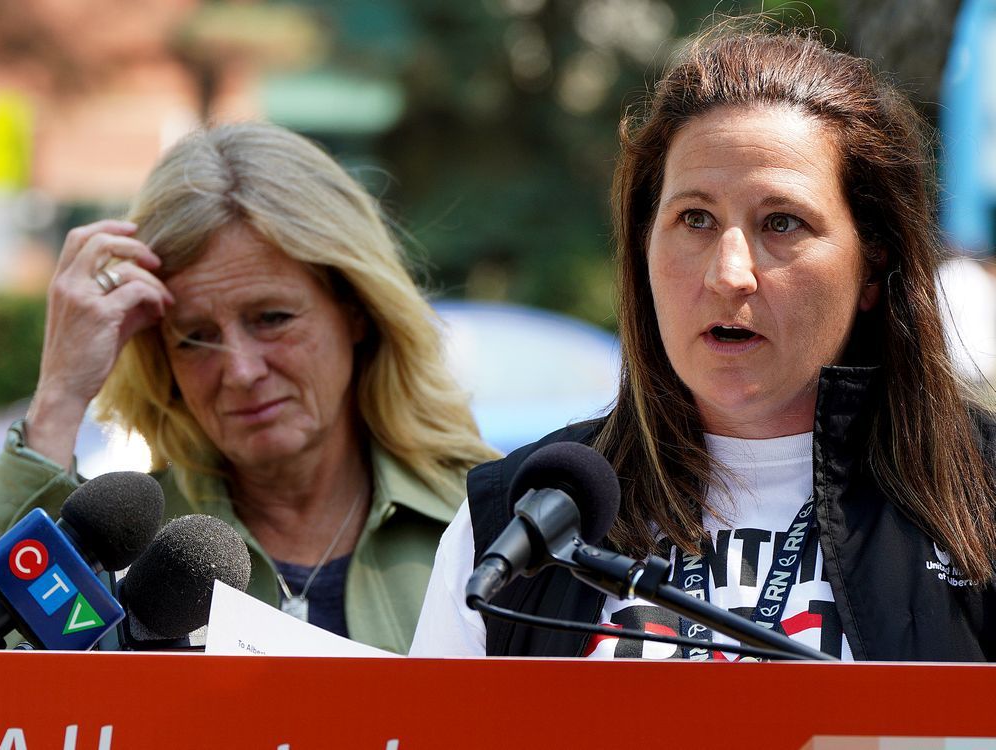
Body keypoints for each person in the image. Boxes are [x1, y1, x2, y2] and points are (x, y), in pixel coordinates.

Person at [411, 24, 996, 662]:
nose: (728, 273)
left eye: (782, 223)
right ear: (643, 245)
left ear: (872, 266)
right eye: (695, 219)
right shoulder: (518, 522)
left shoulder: (982, 497)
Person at [0, 122, 497, 653]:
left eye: (272, 318)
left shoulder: (489, 529)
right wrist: (59, 397)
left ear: (357, 311)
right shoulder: (123, 562)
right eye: (195, 337)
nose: (240, 370)